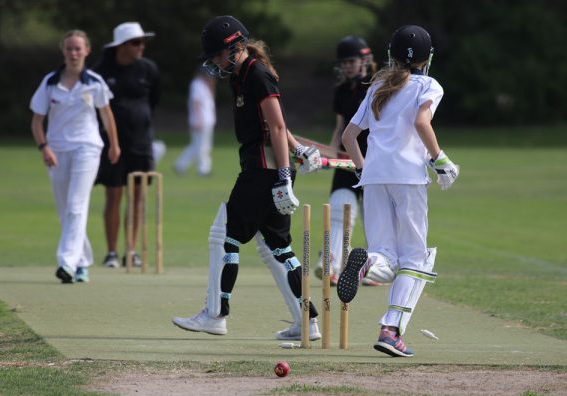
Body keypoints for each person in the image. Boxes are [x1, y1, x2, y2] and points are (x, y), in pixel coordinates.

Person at [172, 15, 323, 340]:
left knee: (223, 234)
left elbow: (279, 126)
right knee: (277, 247)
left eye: (216, 54)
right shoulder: (239, 76)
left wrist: (284, 176)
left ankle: (215, 314)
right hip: (264, 170)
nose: (213, 62)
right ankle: (307, 323)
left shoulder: (257, 74)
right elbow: (276, 127)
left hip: (263, 172)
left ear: (234, 47)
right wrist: (300, 152)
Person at [338, 25, 459, 357]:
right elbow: (422, 123)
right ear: (428, 57)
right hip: (407, 178)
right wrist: (441, 159)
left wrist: (364, 168)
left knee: (386, 256)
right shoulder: (428, 84)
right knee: (416, 258)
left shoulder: (378, 84)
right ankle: (390, 331)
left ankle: (366, 264)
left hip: (374, 178)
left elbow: (349, 137)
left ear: (391, 55)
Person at [30, 30, 120, 284]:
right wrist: (44, 147)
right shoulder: (50, 82)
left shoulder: (94, 82)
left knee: (76, 206)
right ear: (63, 51)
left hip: (87, 148)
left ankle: (66, 263)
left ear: (87, 51)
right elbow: (37, 122)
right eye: (69, 48)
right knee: (64, 210)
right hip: (56, 150)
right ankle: (82, 262)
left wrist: (114, 145)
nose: (73, 53)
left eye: (78, 49)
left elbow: (107, 115)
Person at [94, 22, 161, 268]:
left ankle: (131, 251)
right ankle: (112, 252)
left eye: (142, 42)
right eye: (135, 42)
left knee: (137, 197)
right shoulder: (101, 71)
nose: (141, 47)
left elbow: (153, 101)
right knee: (113, 194)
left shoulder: (148, 69)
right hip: (112, 144)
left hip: (141, 143)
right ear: (121, 46)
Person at [314, 36, 377, 286]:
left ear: (364, 60)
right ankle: (330, 264)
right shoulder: (341, 90)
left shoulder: (375, 87)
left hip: (373, 161)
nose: (348, 66)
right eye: (344, 62)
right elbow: (340, 128)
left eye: (352, 60)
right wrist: (328, 154)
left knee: (374, 217)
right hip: (345, 159)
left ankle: (375, 268)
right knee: (340, 208)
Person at [174, 70, 217, 176]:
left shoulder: (204, 85)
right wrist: (198, 119)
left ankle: (180, 164)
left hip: (206, 120)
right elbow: (195, 102)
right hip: (201, 120)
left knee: (197, 145)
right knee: (202, 146)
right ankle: (203, 169)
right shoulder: (197, 84)